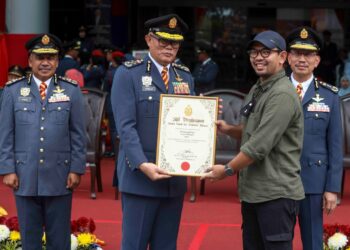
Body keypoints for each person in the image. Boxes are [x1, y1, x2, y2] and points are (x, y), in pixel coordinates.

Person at [201, 30, 305, 250]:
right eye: (254, 52)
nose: (258, 57)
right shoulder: (259, 88)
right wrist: (228, 129)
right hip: (254, 193)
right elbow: (252, 131)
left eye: (266, 52)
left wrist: (227, 170)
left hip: (275, 195)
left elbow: (259, 146)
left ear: (283, 57)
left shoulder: (282, 95)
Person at [111, 14, 194, 249]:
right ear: (149, 40)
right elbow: (125, 127)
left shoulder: (184, 76)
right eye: (163, 41)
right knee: (134, 244)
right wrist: (141, 163)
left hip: (173, 179)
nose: (169, 47)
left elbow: (189, 123)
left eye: (175, 43)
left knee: (166, 245)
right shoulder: (128, 74)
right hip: (140, 177)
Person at [0, 34, 86, 249]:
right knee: (30, 239)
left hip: (60, 175)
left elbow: (78, 133)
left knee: (59, 239)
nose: (45, 62)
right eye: (40, 57)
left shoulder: (71, 90)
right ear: (30, 61)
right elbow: (5, 134)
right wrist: (7, 169)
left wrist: (76, 169)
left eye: (51, 57)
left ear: (57, 61)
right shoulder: (12, 90)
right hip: (24, 175)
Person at [286, 26, 343, 250]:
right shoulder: (274, 91)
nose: (302, 59)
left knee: (312, 242)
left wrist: (332, 188)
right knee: (279, 241)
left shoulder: (329, 96)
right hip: (279, 180)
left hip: (313, 181)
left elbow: (335, 145)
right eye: (297, 53)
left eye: (308, 54)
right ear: (287, 57)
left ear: (317, 60)